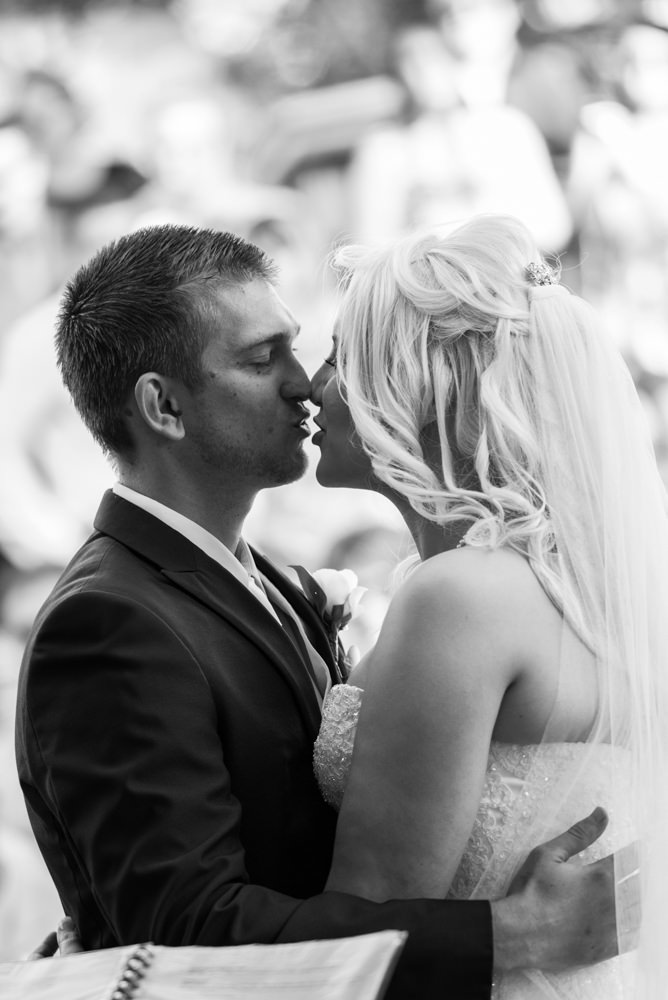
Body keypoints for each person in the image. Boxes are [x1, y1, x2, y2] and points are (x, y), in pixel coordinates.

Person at [15, 224, 621, 999]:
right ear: (163, 406)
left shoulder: (273, 585)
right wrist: (511, 935)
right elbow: (189, 932)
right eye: (262, 360)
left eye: (302, 351)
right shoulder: (108, 623)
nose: (305, 384)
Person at [309, 214, 667, 997]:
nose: (312, 386)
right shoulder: (574, 586)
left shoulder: (461, 599)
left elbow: (364, 918)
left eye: (340, 358)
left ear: (413, 386)